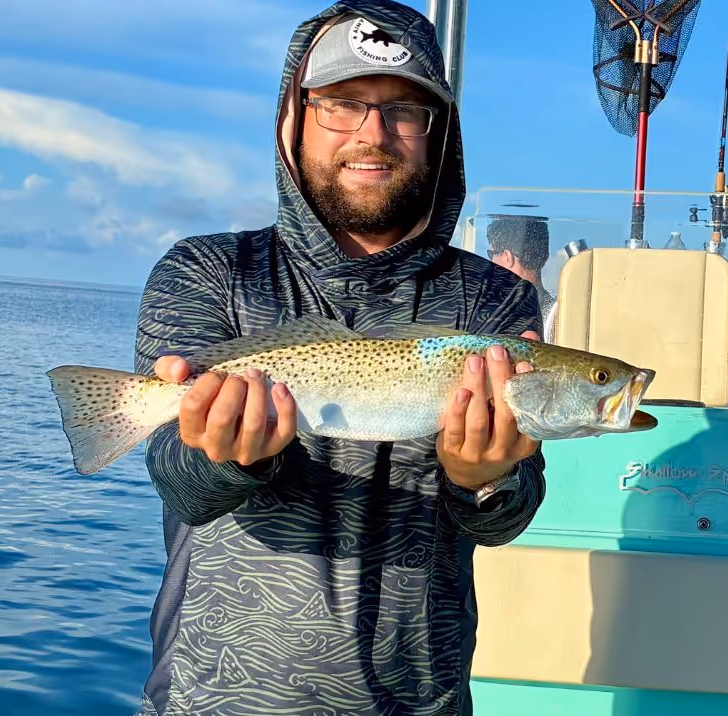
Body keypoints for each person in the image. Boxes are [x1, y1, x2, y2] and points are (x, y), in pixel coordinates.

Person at [128, 2, 549, 714]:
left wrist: (485, 479)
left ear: (438, 133)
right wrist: (224, 453)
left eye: (404, 110)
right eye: (342, 104)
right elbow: (180, 484)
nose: (373, 134)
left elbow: (505, 518)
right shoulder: (206, 272)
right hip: (214, 697)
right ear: (292, 116)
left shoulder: (494, 301)